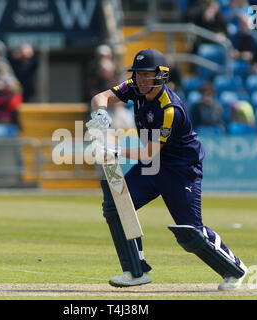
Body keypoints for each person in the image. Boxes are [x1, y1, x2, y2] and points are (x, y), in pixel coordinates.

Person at [86, 49, 247, 291]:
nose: (141, 80)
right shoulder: (135, 87)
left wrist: (114, 148)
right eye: (138, 75)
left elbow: (149, 152)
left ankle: (235, 268)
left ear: (161, 76)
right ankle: (136, 270)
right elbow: (101, 97)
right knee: (116, 205)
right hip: (153, 166)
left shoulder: (170, 109)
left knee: (190, 230)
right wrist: (100, 113)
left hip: (181, 169)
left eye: (146, 76)